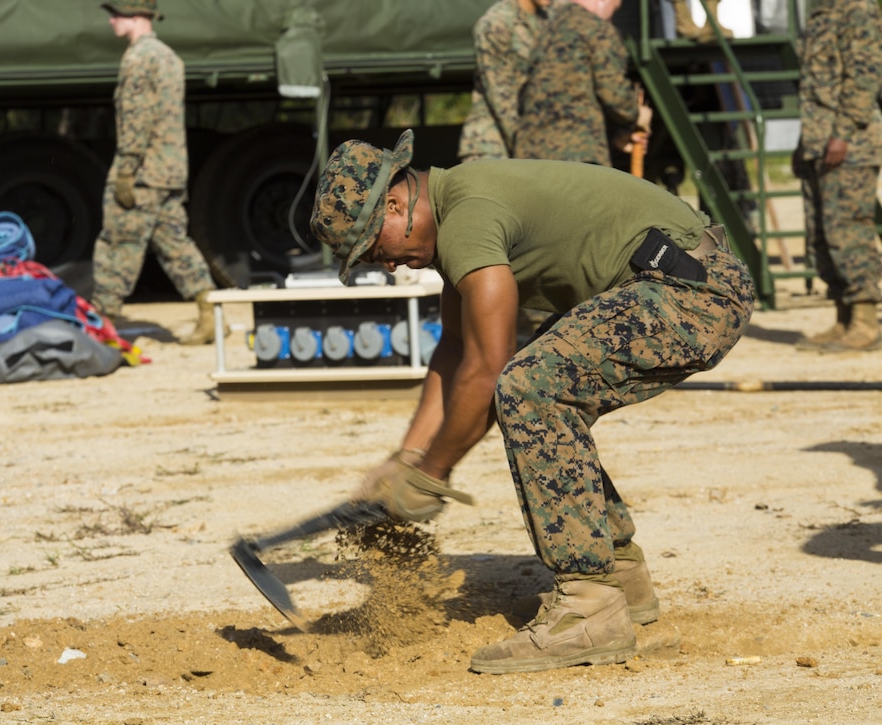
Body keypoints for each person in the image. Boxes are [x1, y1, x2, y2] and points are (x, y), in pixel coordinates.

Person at [309, 129, 753, 674]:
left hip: (696, 295)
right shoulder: (457, 207)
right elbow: (455, 351)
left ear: (397, 205)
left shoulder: (469, 217)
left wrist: (432, 474)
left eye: (377, 250)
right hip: (669, 285)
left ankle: (590, 607)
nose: (389, 266)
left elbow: (488, 367)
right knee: (541, 385)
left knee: (529, 386)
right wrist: (406, 459)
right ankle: (618, 577)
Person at [90, 0, 224, 345]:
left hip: (144, 172)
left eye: (117, 14)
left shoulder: (138, 58)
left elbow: (137, 117)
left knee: (119, 240)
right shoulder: (169, 57)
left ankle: (101, 321)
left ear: (137, 17)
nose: (111, 21)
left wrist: (127, 168)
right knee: (174, 242)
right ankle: (210, 312)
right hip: (169, 170)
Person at [792, 0, 882, 353]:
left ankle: (866, 321)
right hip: (819, 141)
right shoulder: (820, 11)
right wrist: (804, 144)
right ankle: (843, 316)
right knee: (821, 233)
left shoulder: (857, 8)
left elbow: (864, 76)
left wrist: (842, 132)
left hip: (851, 142)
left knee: (848, 230)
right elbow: (816, 88)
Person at [513, 0, 651, 167]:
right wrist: (637, 114)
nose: (612, 17)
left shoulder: (547, 28)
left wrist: (615, 138)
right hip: (578, 158)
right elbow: (613, 94)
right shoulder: (596, 29)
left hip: (530, 157)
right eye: (614, 7)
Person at [458, 0, 551, 163]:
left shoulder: (549, 22)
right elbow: (500, 98)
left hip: (535, 144)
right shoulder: (495, 24)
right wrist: (533, 150)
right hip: (492, 148)